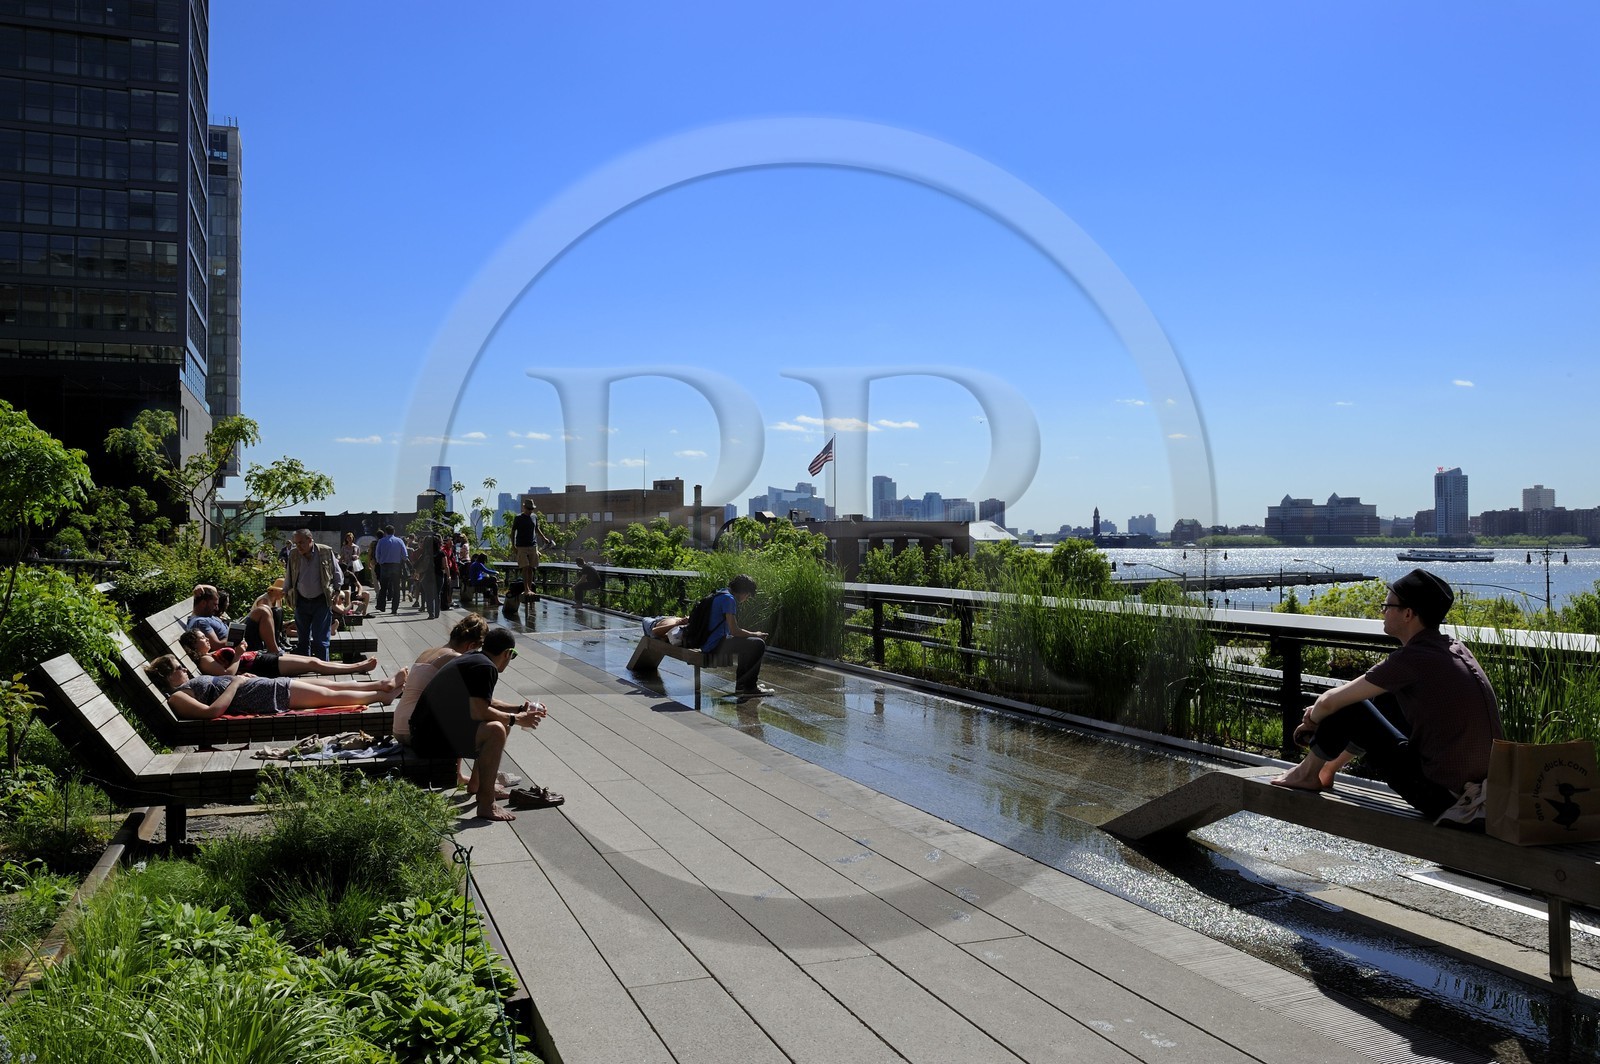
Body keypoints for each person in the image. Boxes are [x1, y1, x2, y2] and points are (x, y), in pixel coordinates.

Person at [1271, 569, 1504, 818]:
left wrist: (1312, 720)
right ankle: (1328, 769)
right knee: (1383, 699)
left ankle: (1307, 775)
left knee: (1352, 707)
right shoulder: (1452, 648)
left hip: (1445, 798)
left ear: (1407, 614)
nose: (1382, 611)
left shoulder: (1415, 658)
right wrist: (1320, 715)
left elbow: (1329, 702)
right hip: (1482, 791)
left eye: (1387, 605)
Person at [408, 629, 546, 821]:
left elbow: (482, 700)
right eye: (513, 655)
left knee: (501, 724)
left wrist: (519, 708)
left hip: (424, 732)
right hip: (429, 739)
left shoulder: (475, 658)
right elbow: (480, 711)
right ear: (507, 653)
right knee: (497, 729)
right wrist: (517, 719)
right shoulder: (485, 668)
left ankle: (477, 785)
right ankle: (486, 803)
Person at [144, 654, 404, 720]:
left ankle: (383, 685)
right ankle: (382, 697)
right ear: (168, 676)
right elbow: (212, 711)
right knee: (327, 695)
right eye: (180, 668)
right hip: (266, 696)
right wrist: (235, 682)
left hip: (263, 686)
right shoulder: (178, 697)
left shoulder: (187, 685)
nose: (186, 669)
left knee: (327, 685)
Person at [179, 628, 378, 679]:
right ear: (194, 645)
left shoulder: (210, 654)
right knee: (312, 665)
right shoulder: (205, 660)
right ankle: (358, 667)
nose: (206, 639)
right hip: (262, 666)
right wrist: (239, 653)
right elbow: (226, 676)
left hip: (260, 658)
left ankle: (355, 667)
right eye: (202, 638)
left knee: (313, 660)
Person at [701, 574, 773, 700]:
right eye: (748, 594)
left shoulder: (720, 593)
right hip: (715, 644)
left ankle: (742, 686)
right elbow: (735, 631)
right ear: (743, 591)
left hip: (708, 641)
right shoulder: (729, 599)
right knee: (758, 644)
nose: (747, 598)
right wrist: (756, 634)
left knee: (747, 643)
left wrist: (750, 636)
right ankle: (750, 687)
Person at [286, 528, 343, 661]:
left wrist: (337, 590)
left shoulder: (325, 551)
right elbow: (289, 574)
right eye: (296, 543)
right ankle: (304, 668)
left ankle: (324, 668)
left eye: (301, 543)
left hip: (321, 600)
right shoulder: (294, 554)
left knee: (320, 639)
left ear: (310, 540)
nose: (298, 546)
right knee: (303, 639)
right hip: (301, 601)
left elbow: (336, 572)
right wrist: (286, 592)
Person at [511, 498, 554, 603]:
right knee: (524, 567)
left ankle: (529, 588)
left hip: (533, 545)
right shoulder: (518, 518)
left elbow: (536, 529)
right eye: (528, 508)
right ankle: (525, 589)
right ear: (524, 507)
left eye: (531, 509)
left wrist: (544, 538)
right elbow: (512, 532)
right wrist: (513, 545)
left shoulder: (534, 517)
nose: (530, 511)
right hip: (521, 545)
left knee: (531, 568)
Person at [373, 524, 409, 615]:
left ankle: (381, 606)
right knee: (396, 588)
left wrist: (380, 562)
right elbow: (405, 556)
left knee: (384, 587)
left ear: (385, 532)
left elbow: (377, 554)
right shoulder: (399, 541)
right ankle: (394, 609)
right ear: (394, 531)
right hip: (396, 566)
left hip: (385, 566)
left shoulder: (381, 541)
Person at [241, 580, 286, 653]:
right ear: (274, 590)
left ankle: (280, 641)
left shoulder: (278, 600)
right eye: (282, 591)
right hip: (256, 627)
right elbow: (265, 619)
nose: (284, 594)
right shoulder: (264, 600)